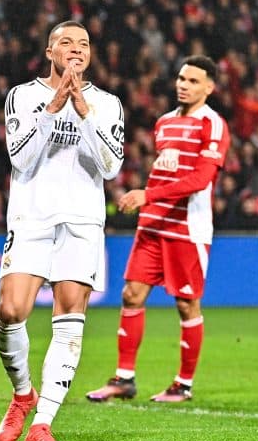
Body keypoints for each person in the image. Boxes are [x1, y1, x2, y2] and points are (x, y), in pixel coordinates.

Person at [0, 20, 124, 441]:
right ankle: (22, 393)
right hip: (31, 220)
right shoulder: (24, 96)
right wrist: (55, 107)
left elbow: (111, 167)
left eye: (84, 44)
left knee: (69, 323)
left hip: (82, 223)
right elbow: (21, 157)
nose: (76, 49)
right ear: (49, 51)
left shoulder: (107, 104)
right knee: (11, 311)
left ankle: (42, 424)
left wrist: (83, 110)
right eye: (66, 42)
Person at [85, 55, 230, 404]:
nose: (184, 84)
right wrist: (150, 202)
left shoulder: (213, 124)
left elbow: (201, 179)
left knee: (186, 303)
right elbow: (168, 170)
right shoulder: (164, 122)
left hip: (186, 228)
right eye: (181, 78)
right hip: (153, 225)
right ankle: (123, 378)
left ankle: (183, 384)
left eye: (194, 81)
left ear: (209, 88)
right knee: (131, 295)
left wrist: (147, 195)